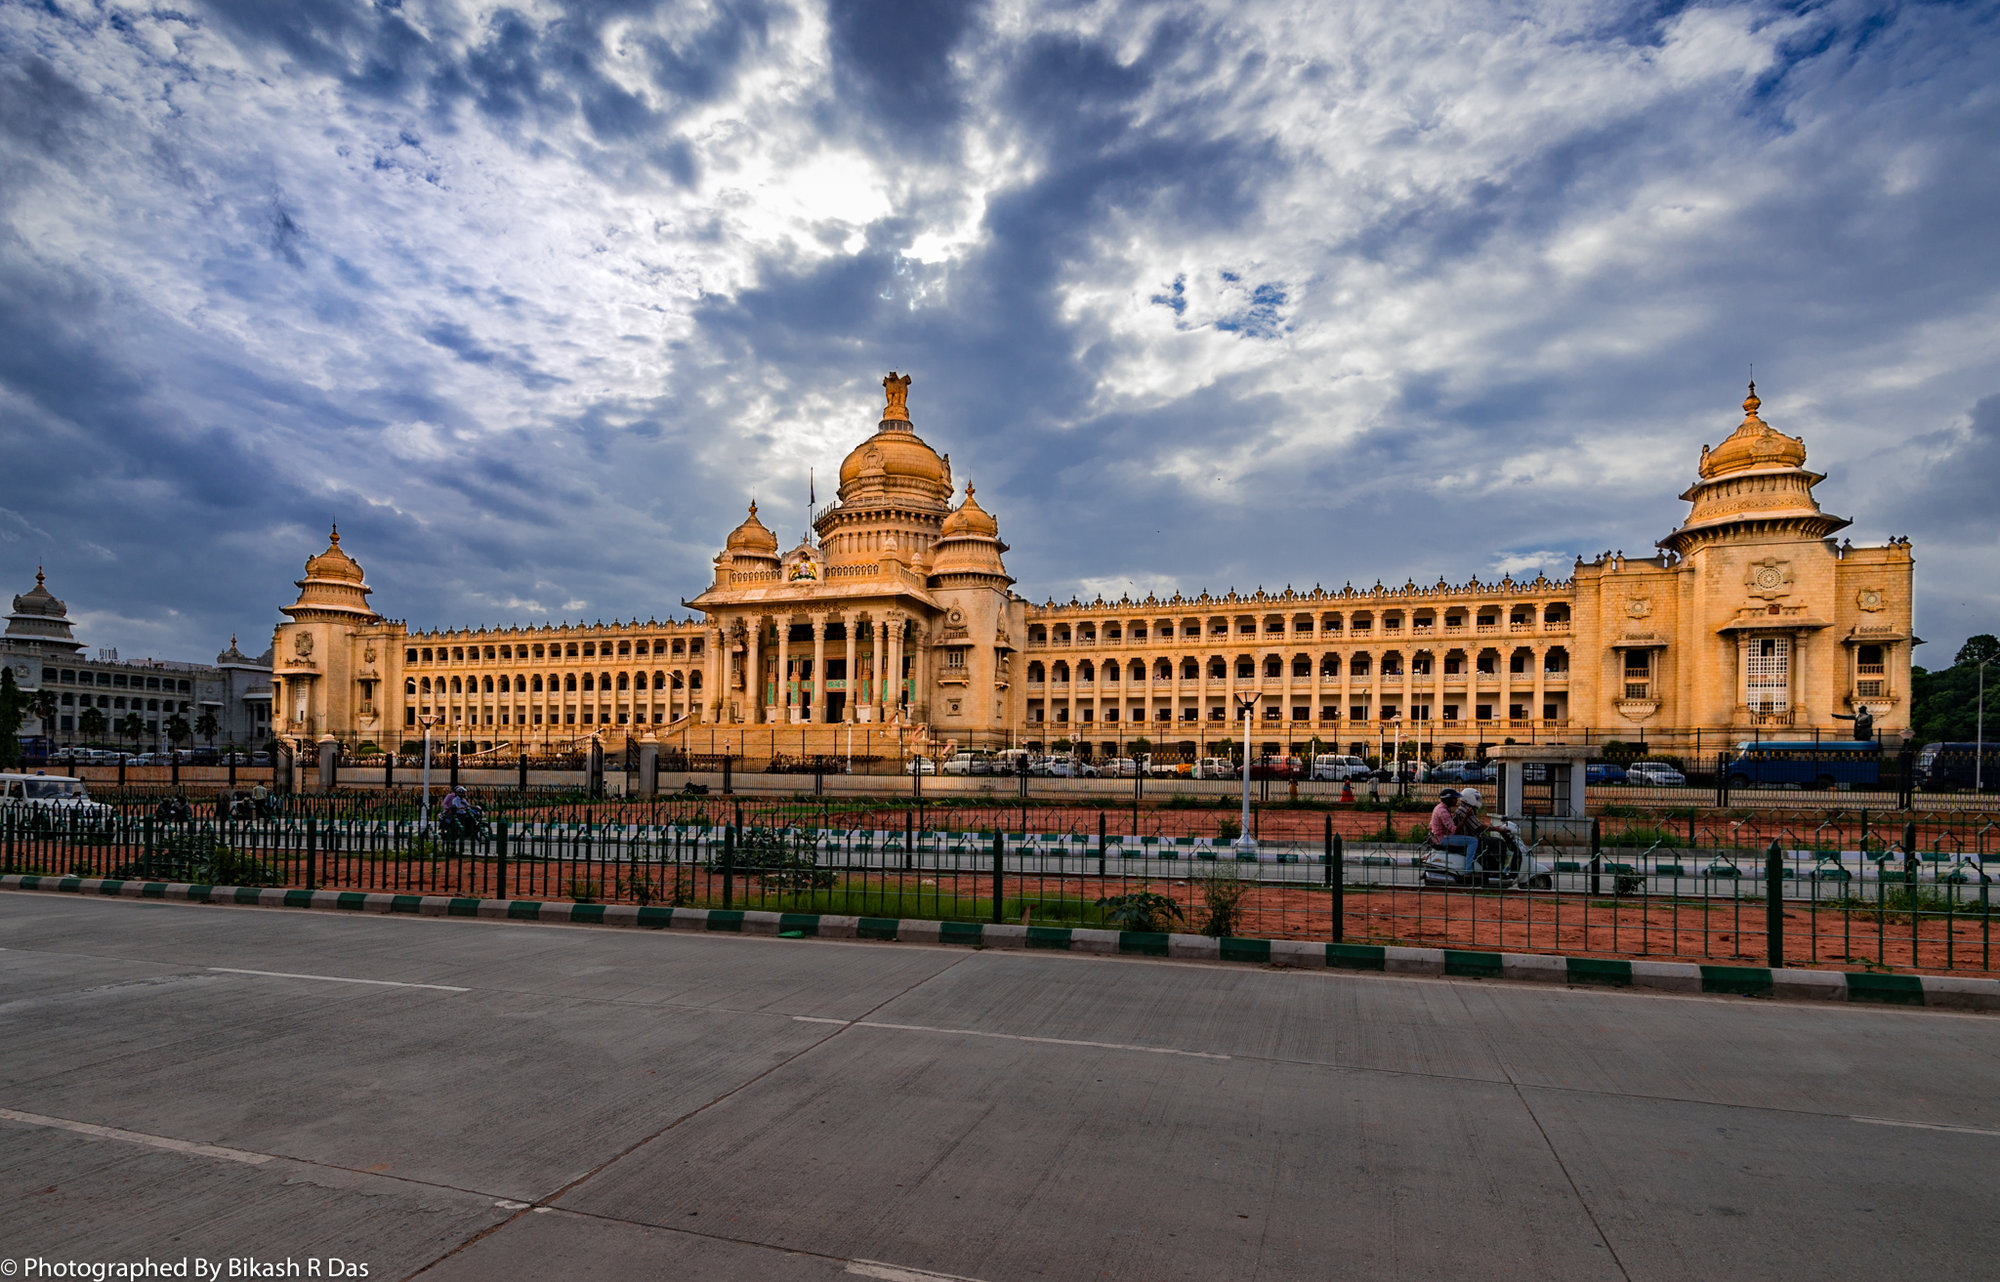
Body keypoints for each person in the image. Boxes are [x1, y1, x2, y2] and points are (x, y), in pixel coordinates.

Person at [1428, 788, 1479, 873]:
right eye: (1454, 798)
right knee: (1473, 841)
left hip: (1438, 836)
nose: (1456, 800)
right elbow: (1454, 830)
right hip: (1442, 838)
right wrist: (1466, 817)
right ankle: (1468, 869)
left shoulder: (1440, 807)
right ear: (1448, 799)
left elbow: (1430, 826)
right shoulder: (1443, 811)